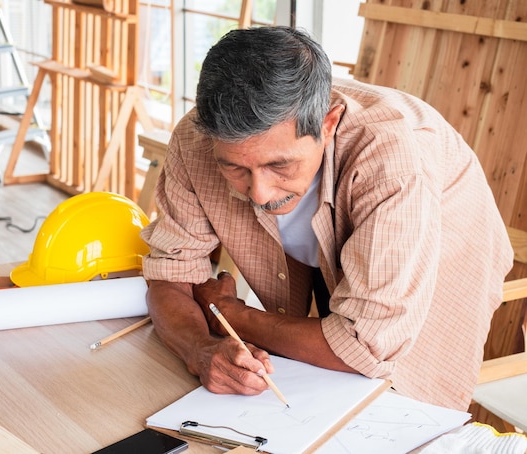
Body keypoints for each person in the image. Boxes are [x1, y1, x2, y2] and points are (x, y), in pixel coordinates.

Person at [139, 26, 514, 411]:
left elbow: (364, 345)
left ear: (328, 124)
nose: (260, 194)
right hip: (343, 236)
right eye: (235, 168)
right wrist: (200, 351)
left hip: (447, 242)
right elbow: (171, 274)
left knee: (404, 401)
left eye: (279, 165)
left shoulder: (396, 163)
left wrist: (232, 315)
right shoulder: (195, 139)